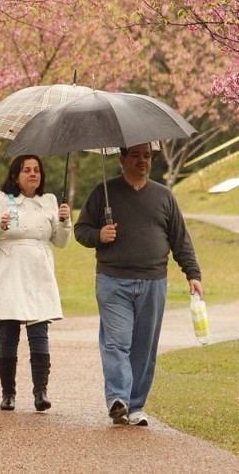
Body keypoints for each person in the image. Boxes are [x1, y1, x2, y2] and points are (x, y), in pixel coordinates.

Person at [74, 142, 203, 427]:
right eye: (135, 155)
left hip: (154, 281)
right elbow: (80, 230)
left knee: (144, 348)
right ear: (121, 158)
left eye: (147, 155)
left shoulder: (164, 196)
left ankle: (135, 407)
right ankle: (118, 399)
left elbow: (180, 239)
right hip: (112, 281)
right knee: (117, 343)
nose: (143, 161)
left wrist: (192, 273)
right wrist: (99, 235)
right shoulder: (102, 193)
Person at [0, 154, 71, 412]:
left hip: (39, 271)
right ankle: (8, 394)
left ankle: (41, 392)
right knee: (8, 334)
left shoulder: (49, 201)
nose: (33, 174)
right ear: (16, 175)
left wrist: (64, 221)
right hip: (9, 270)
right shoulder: (2, 199)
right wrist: (0, 228)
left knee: (39, 333)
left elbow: (60, 242)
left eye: (36, 170)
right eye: (26, 170)